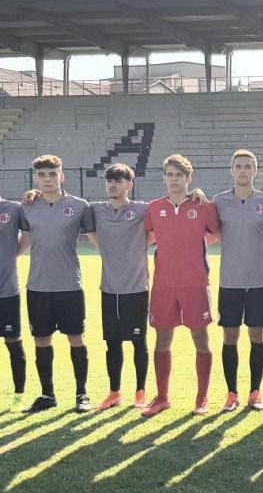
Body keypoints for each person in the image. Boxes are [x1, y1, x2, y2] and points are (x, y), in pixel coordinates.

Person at [141, 154, 220, 417]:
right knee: (162, 339)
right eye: (170, 175)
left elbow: (216, 234)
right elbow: (149, 237)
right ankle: (162, 397)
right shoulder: (154, 207)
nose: (174, 179)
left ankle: (202, 398)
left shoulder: (203, 206)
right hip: (163, 285)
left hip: (195, 284)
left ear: (189, 179)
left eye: (179, 175)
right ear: (164, 178)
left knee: (201, 338)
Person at [19, 155, 95, 413]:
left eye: (52, 174)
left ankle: (82, 395)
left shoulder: (80, 206)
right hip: (38, 286)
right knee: (41, 340)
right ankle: (47, 395)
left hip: (70, 285)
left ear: (62, 176)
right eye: (42, 175)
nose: (47, 179)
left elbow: (98, 236)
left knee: (76, 338)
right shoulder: (27, 207)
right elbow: (24, 241)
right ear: (35, 178)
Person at [213, 150, 263, 413]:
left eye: (247, 166)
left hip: (258, 282)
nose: (243, 170)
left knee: (257, 335)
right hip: (229, 281)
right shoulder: (219, 202)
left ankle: (255, 392)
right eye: (238, 166)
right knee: (230, 337)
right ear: (232, 171)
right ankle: (232, 393)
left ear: (255, 171)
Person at [87, 164, 151, 410]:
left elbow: (168, 211)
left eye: (118, 181)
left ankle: (140, 392)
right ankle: (114, 393)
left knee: (138, 341)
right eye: (109, 181)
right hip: (109, 288)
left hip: (136, 288)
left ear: (129, 185)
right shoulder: (96, 210)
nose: (112, 185)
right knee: (112, 342)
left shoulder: (142, 209)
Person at [0, 193, 30, 412]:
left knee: (13, 341)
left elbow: (27, 237)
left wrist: (11, 256)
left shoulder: (13, 208)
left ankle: (19, 396)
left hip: (7, 290)